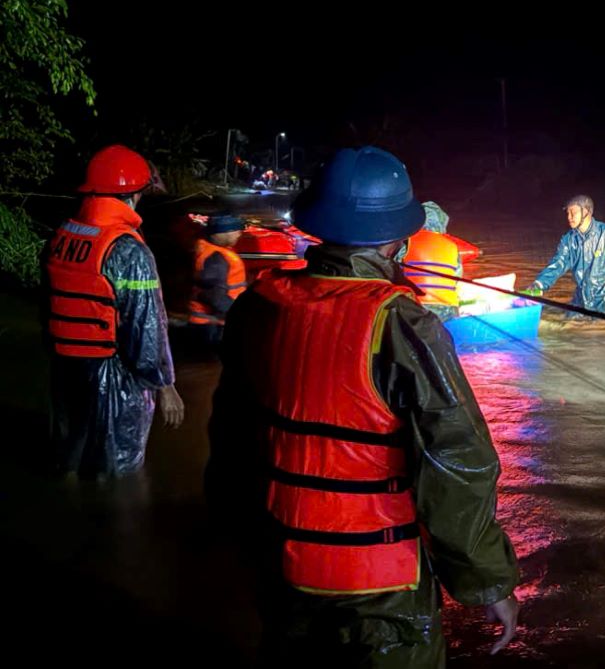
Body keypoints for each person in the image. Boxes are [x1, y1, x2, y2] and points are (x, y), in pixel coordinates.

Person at [206, 146, 520, 666]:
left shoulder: (259, 304)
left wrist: (234, 542)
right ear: (397, 237)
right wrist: (487, 581)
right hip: (379, 585)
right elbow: (458, 464)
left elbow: (229, 439)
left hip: (280, 565)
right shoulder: (402, 325)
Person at [42, 144, 184, 478]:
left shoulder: (63, 235)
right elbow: (145, 327)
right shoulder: (128, 250)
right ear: (133, 194)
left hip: (64, 369)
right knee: (116, 469)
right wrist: (165, 386)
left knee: (70, 461)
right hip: (113, 375)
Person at [523, 194, 605, 316]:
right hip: (580, 297)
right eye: (567, 213)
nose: (569, 217)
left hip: (604, 299)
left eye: (573, 212)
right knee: (567, 326)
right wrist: (539, 284)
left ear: (586, 211)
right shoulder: (569, 239)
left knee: (595, 331)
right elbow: (557, 264)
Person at [187, 212, 246, 344]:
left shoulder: (211, 251)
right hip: (212, 325)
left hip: (210, 323)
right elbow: (213, 295)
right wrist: (238, 314)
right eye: (235, 230)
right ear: (221, 233)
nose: (239, 233)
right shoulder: (215, 257)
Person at [402, 201, 462, 321]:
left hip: (415, 306)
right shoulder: (453, 246)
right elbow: (457, 277)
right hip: (449, 307)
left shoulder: (406, 241)